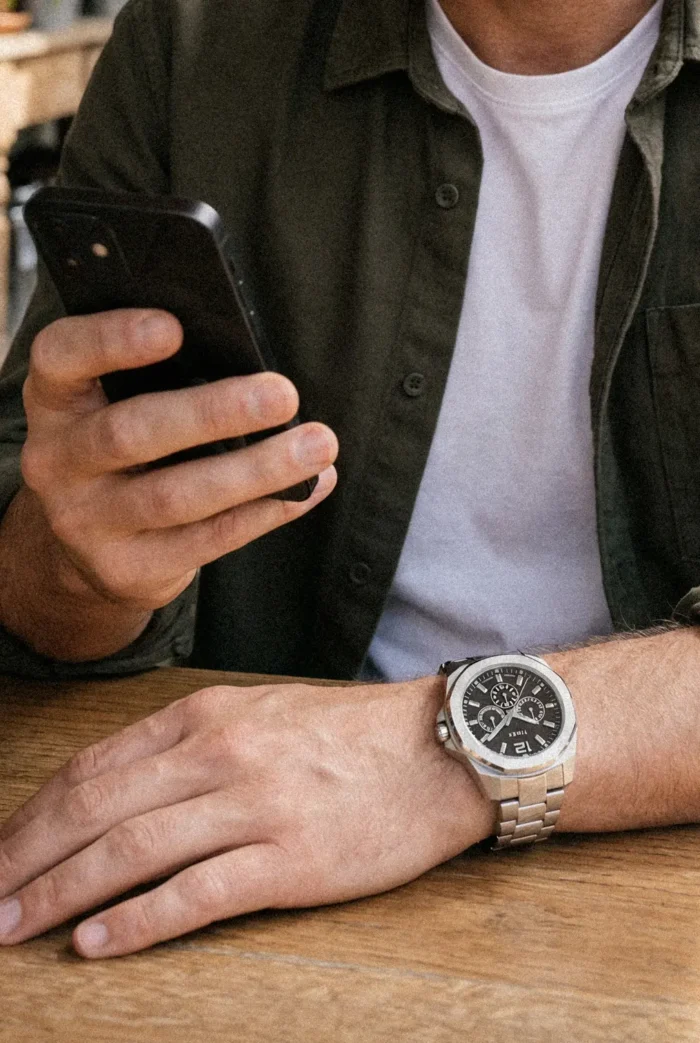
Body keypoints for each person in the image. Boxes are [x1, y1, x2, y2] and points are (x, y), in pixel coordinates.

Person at [0, 0, 698, 959]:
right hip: (249, 877)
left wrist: (435, 753)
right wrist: (85, 565)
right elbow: (33, 585)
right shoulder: (197, 39)